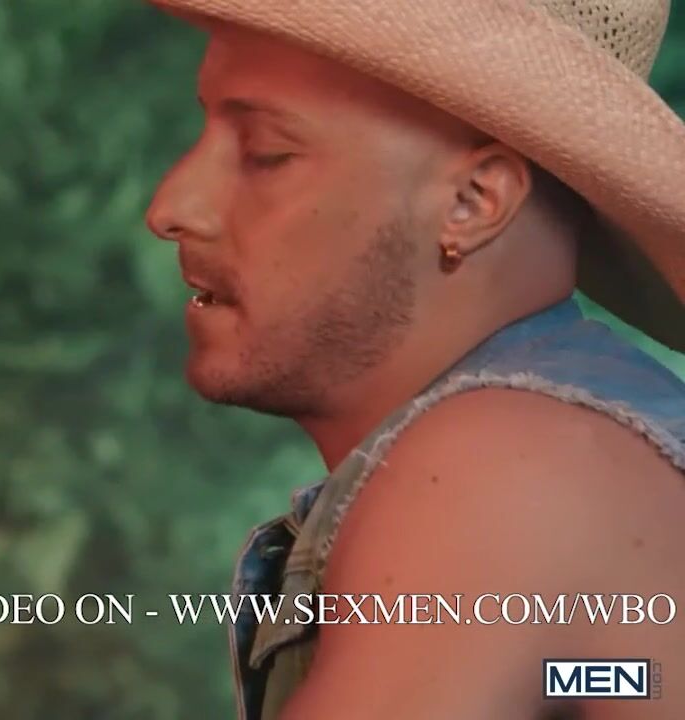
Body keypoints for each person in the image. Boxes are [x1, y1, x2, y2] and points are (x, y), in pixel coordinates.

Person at [141, 1, 685, 718]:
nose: (172, 207)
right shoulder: (568, 444)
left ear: (473, 201)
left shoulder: (506, 471)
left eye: (266, 153)